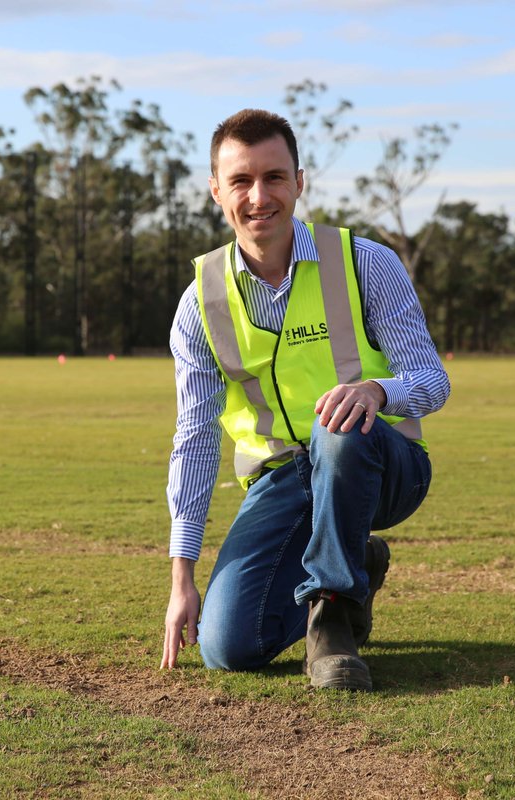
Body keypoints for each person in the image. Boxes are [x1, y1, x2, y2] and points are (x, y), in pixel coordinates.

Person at [160, 108, 450, 691]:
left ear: (300, 181)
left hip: (379, 464)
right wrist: (181, 577)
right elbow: (193, 439)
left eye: (274, 177)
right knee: (228, 648)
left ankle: (334, 617)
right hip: (283, 480)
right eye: (240, 180)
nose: (258, 196)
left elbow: (432, 379)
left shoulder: (366, 263)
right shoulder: (200, 303)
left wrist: (377, 391)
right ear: (216, 190)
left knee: (338, 424)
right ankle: (357, 562)